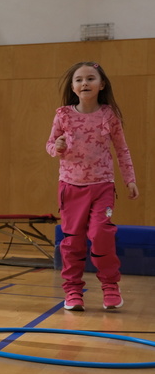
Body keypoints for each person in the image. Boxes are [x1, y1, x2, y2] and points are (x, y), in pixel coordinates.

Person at [46, 61, 139, 311]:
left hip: (102, 187)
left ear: (101, 84)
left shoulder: (109, 115)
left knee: (101, 235)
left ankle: (110, 287)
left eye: (90, 78)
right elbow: (50, 145)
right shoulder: (63, 115)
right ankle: (73, 291)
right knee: (72, 241)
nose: (84, 83)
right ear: (73, 87)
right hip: (70, 187)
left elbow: (122, 149)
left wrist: (130, 179)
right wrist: (58, 147)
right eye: (79, 79)